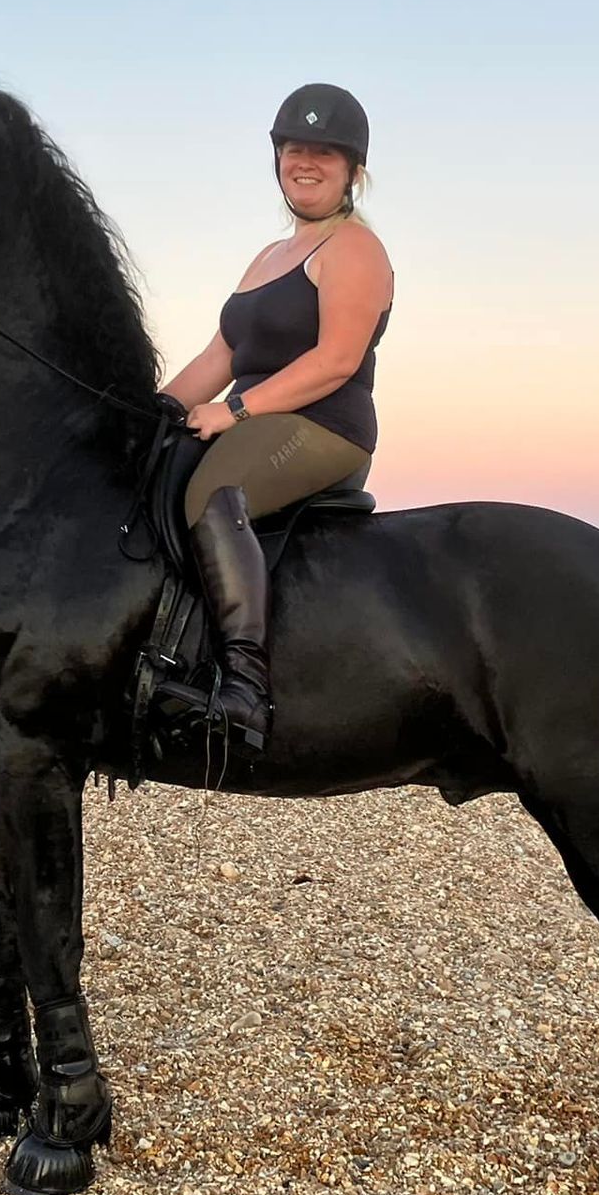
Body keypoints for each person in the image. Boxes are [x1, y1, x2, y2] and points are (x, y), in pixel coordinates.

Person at [155, 83, 394, 753]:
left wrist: (233, 411)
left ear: (352, 170)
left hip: (324, 428)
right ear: (278, 159)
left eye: (324, 151)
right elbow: (220, 354)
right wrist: (155, 411)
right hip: (254, 419)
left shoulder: (355, 249)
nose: (306, 161)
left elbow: (336, 360)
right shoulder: (267, 257)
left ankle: (243, 692)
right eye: (294, 148)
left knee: (211, 493)